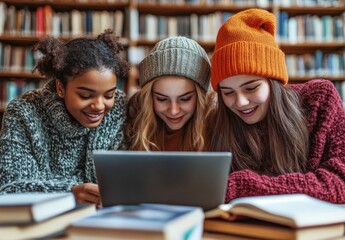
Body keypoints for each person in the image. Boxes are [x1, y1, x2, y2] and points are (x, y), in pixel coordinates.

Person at [207, 9, 345, 203]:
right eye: (228, 92)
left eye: (251, 88)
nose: (240, 102)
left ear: (274, 82)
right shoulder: (219, 121)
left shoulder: (319, 100)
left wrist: (244, 186)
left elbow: (339, 183)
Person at [0, 29, 129, 206]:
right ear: (61, 88)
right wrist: (68, 194)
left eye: (108, 95)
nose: (99, 106)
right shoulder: (24, 112)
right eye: (85, 96)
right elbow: (9, 188)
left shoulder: (117, 109)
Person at [125, 36, 214, 151]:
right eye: (162, 99)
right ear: (149, 97)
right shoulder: (134, 118)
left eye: (185, 98)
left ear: (201, 96)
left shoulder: (214, 123)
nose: (173, 111)